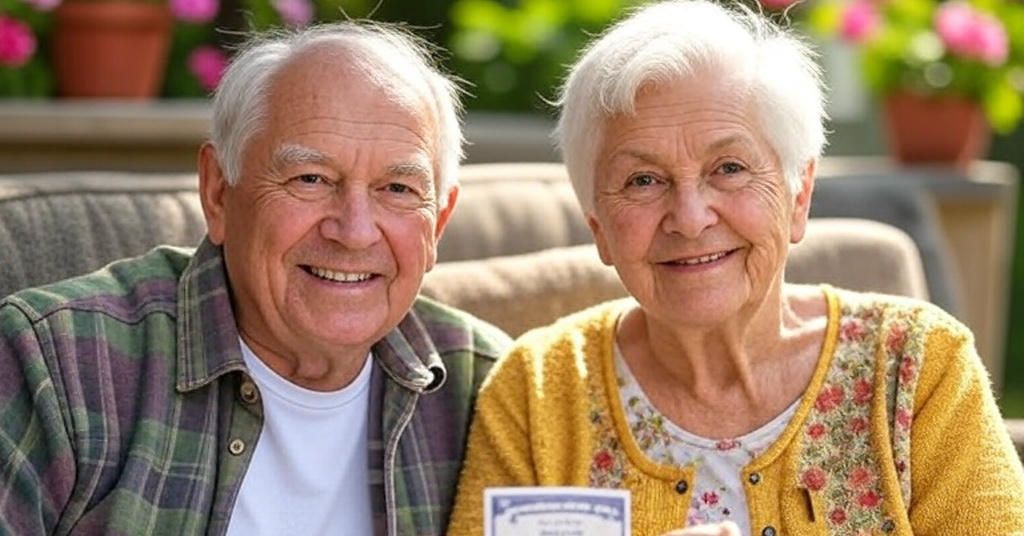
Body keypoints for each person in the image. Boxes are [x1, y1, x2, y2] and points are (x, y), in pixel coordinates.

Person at [447, 1, 1024, 535]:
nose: (691, 218)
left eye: (728, 167)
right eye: (643, 180)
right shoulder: (537, 391)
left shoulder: (919, 364)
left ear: (799, 196)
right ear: (598, 225)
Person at [0, 22, 510, 536]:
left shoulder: (493, 391)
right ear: (218, 193)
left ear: (439, 223)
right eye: (310, 179)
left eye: (397, 188)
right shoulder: (56, 364)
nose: (354, 232)